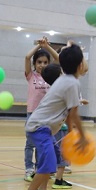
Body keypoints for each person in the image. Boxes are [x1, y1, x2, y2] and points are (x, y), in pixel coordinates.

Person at [19, 44, 89, 190]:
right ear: (80, 64)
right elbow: (73, 114)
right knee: (48, 163)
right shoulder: (71, 82)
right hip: (39, 128)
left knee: (54, 158)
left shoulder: (65, 79)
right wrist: (80, 136)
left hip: (44, 128)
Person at [24, 37, 59, 182]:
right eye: (39, 62)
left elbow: (58, 59)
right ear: (34, 64)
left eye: (45, 62)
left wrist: (48, 46)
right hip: (32, 114)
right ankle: (28, 169)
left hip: (47, 116)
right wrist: (39, 46)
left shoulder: (51, 76)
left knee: (42, 144)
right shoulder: (31, 75)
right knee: (30, 144)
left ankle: (40, 169)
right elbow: (27, 57)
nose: (42, 65)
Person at [41, 63, 73, 190]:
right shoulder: (61, 91)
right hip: (59, 128)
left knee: (53, 154)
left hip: (51, 127)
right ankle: (58, 180)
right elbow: (70, 111)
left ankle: (45, 184)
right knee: (63, 154)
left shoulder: (53, 91)